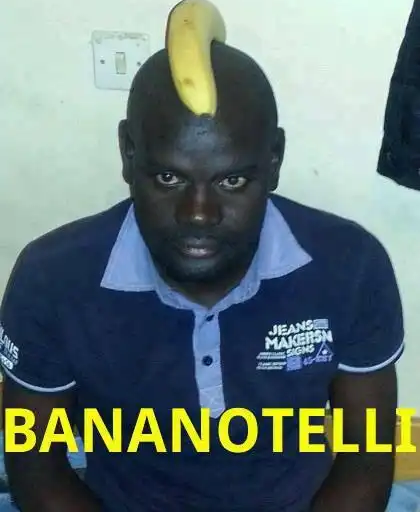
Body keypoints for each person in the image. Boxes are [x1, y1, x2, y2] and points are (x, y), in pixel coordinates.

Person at [0, 40, 404, 512]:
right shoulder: (51, 280)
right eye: (169, 179)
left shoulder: (351, 267)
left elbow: (367, 456)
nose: (198, 214)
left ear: (274, 160)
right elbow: (35, 466)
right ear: (128, 153)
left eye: (232, 181)